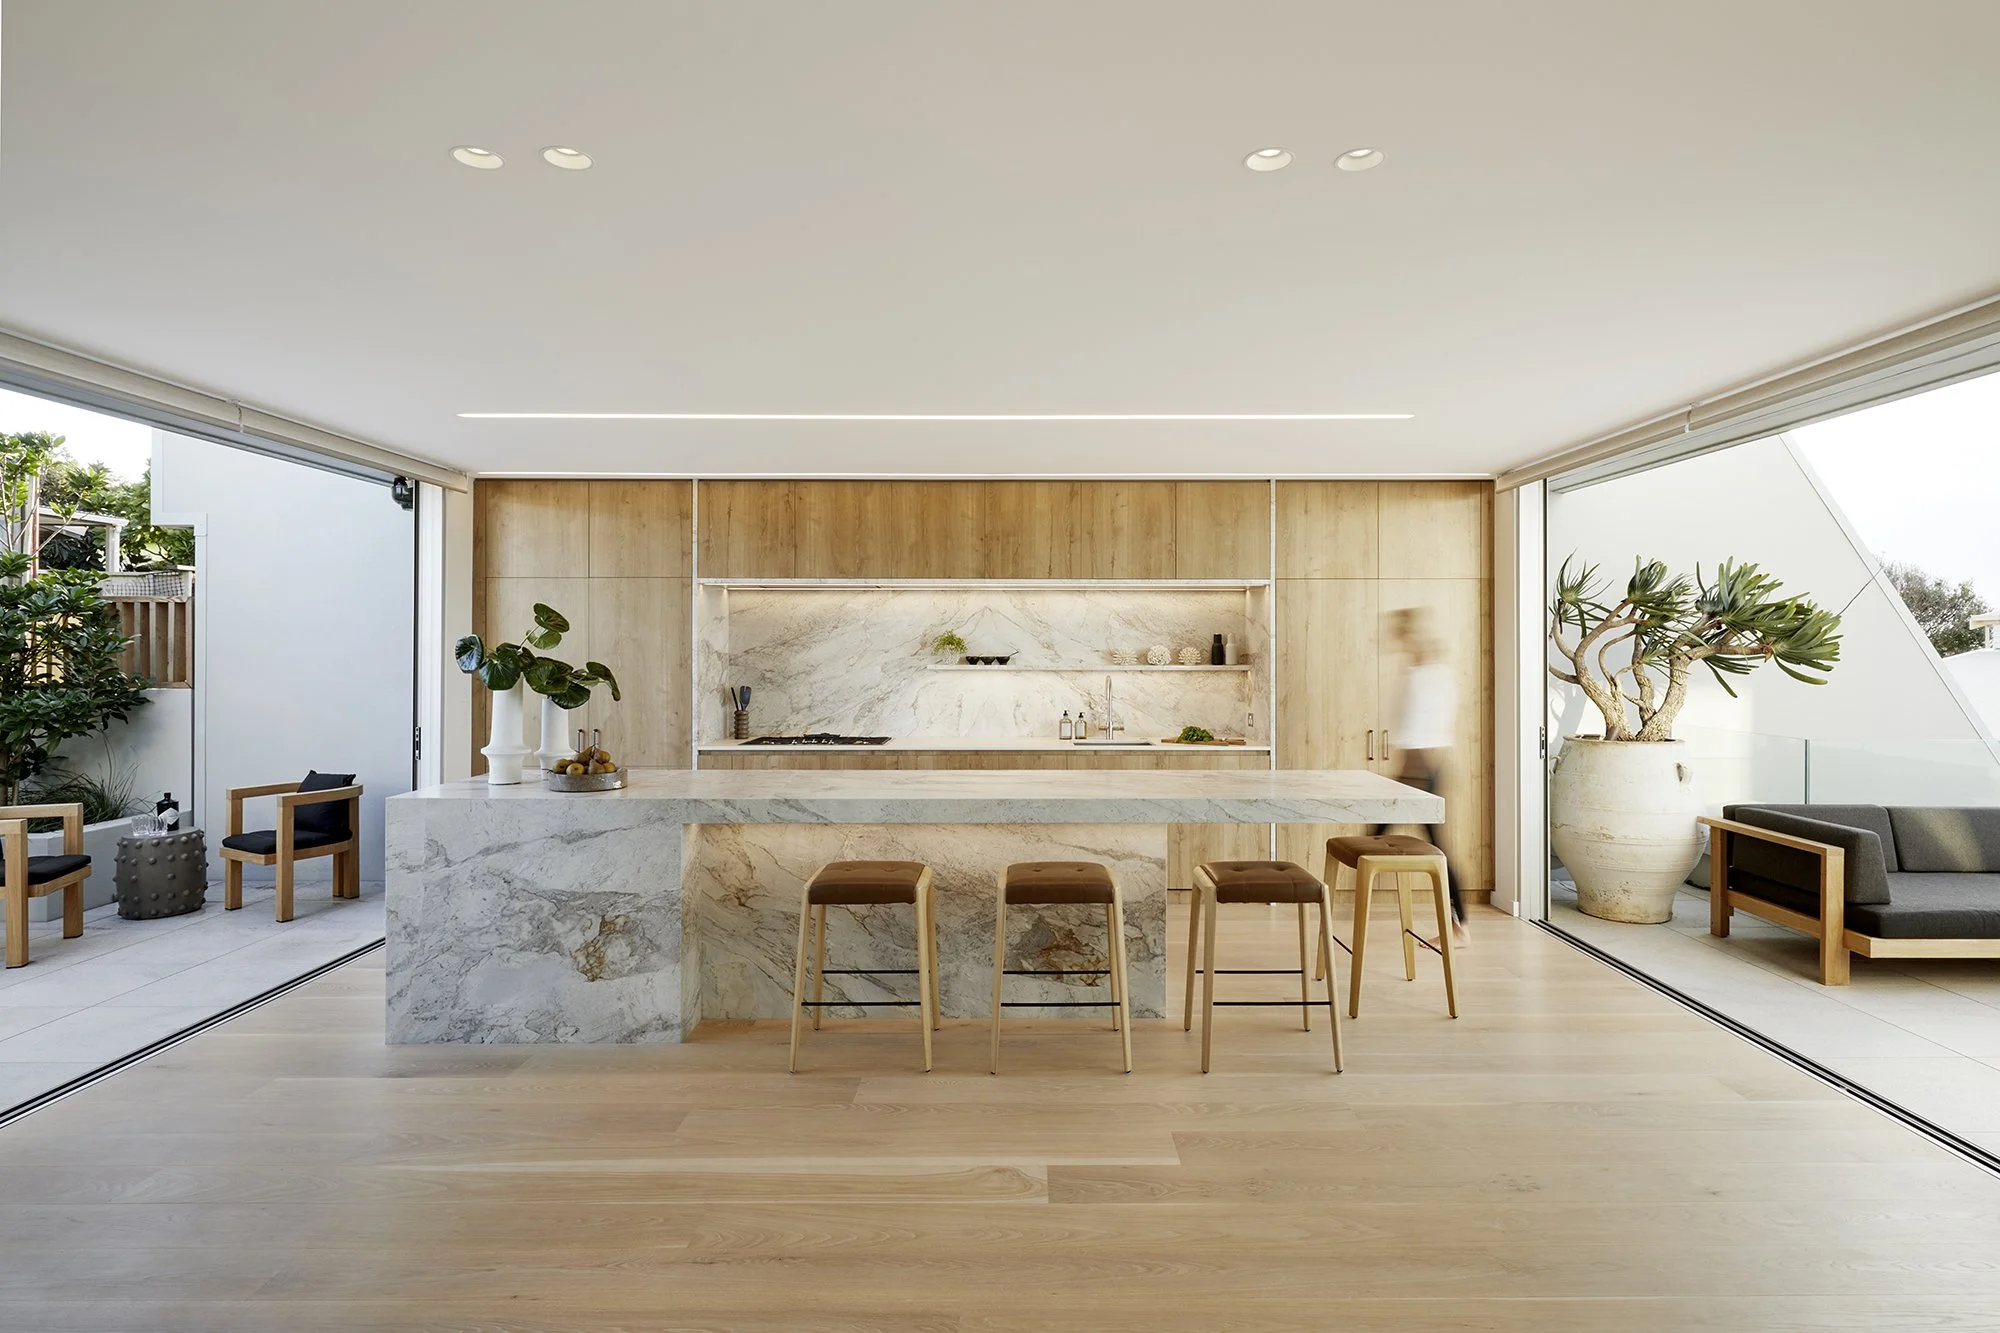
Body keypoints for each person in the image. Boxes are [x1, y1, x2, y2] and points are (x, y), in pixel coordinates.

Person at [1368, 606, 1468, 946]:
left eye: (1400, 633)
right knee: (1379, 838)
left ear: (1411, 635)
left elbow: (1423, 729)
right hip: (1417, 769)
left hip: (1421, 770)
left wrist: (1411, 773)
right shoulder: (1424, 671)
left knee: (1387, 842)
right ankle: (1458, 924)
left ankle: (1458, 924)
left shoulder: (1427, 674)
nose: (1396, 640)